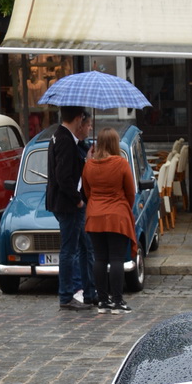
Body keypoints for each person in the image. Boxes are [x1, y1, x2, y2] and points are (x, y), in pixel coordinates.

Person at [45, 105, 97, 310]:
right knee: (70, 250)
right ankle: (67, 295)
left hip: (64, 202)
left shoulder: (61, 136)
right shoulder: (64, 140)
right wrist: (78, 200)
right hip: (68, 205)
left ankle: (88, 291)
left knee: (84, 246)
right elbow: (63, 177)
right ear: (78, 118)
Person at [82, 127, 137, 313]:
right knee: (116, 259)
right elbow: (130, 192)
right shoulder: (121, 163)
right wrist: (123, 206)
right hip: (116, 215)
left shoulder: (88, 165)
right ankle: (117, 301)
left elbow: (87, 192)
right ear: (115, 143)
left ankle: (103, 302)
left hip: (94, 216)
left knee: (99, 259)